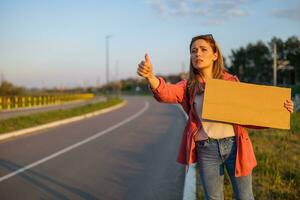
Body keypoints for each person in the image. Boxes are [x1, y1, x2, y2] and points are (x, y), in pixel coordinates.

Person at [137, 34, 294, 200]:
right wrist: (150, 77)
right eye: (193, 51)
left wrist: (281, 109)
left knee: (245, 196)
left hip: (235, 146)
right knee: (213, 198)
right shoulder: (188, 86)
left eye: (203, 49)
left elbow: (251, 112)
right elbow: (166, 93)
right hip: (207, 149)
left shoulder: (230, 82)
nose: (197, 54)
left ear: (215, 55)